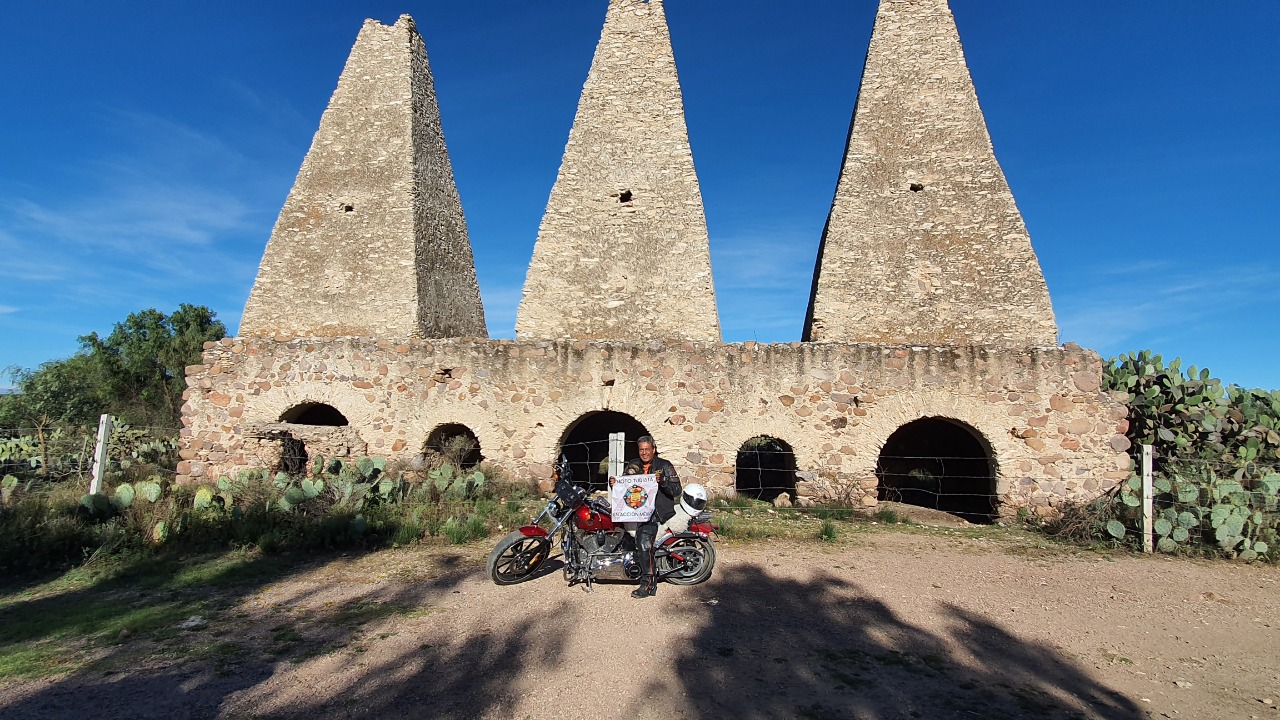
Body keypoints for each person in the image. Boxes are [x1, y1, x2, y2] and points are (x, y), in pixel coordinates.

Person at [618, 435, 682, 598]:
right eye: (641, 450)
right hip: (636, 510)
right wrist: (616, 483)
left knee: (643, 541)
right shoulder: (633, 464)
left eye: (647, 449)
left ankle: (648, 583)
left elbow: (677, 490)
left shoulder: (665, 465)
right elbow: (625, 483)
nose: (644, 453)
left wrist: (664, 481)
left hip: (657, 513)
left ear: (653, 450)